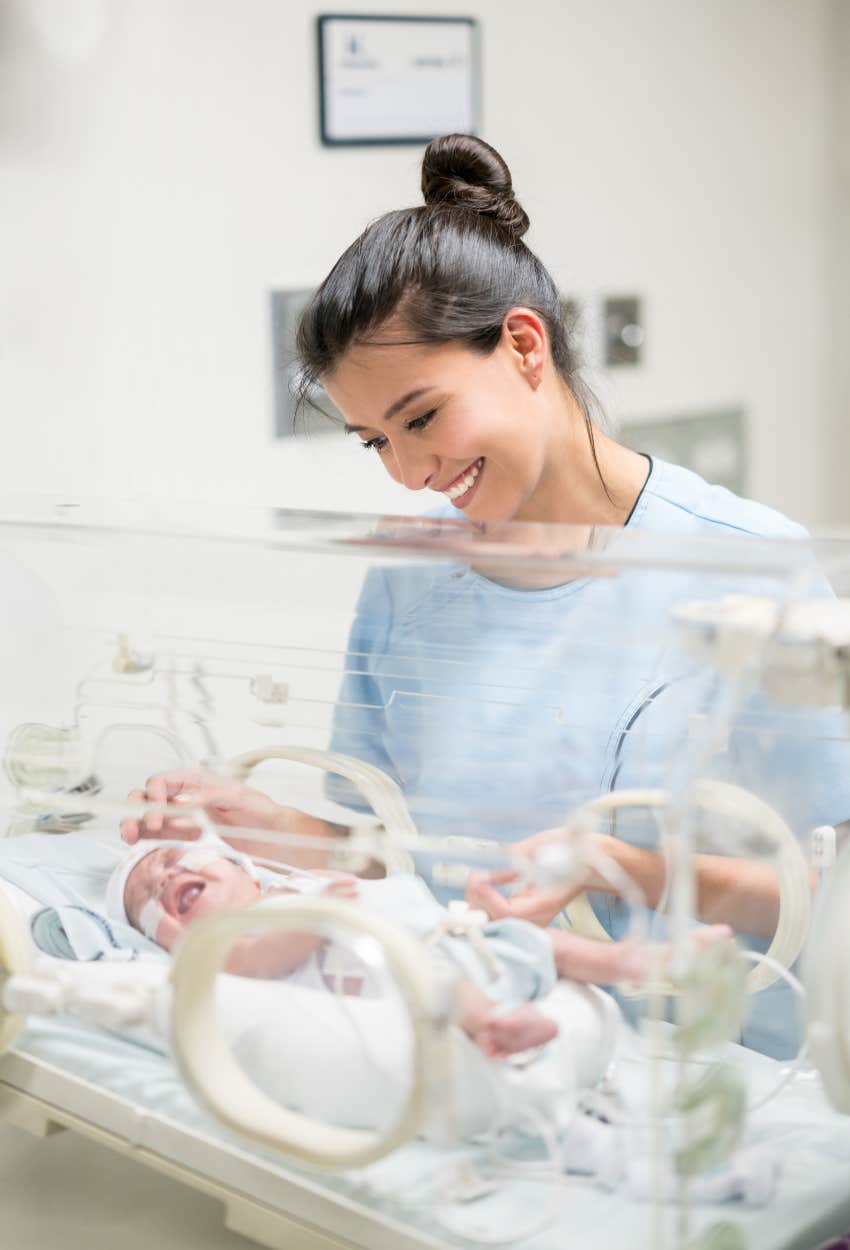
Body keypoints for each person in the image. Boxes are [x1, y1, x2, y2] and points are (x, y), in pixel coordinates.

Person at [123, 133, 850, 1057]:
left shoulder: (747, 567)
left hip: (714, 1080)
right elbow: (408, 865)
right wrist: (272, 829)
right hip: (500, 1059)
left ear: (522, 346)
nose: (411, 473)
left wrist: (623, 867)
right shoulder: (410, 585)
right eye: (373, 442)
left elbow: (833, 895)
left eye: (422, 418)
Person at [106, 835, 728, 1060]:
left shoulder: (290, 882)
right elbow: (259, 961)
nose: (164, 879)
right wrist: (311, 922)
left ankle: (646, 960)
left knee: (549, 943)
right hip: (396, 976)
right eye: (147, 900)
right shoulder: (219, 946)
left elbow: (400, 899)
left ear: (238, 862)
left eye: (169, 862)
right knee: (436, 982)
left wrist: (478, 915)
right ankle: (494, 1024)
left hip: (458, 936)